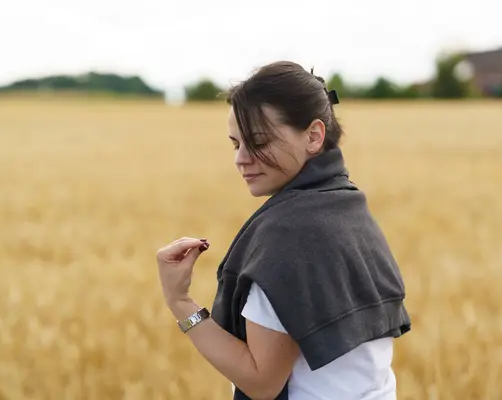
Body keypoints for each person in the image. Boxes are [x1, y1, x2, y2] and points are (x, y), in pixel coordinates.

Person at [156, 61, 411, 400]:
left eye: (258, 142)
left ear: (314, 135)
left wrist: (181, 303)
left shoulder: (289, 234)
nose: (241, 159)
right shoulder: (348, 206)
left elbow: (262, 382)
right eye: (236, 144)